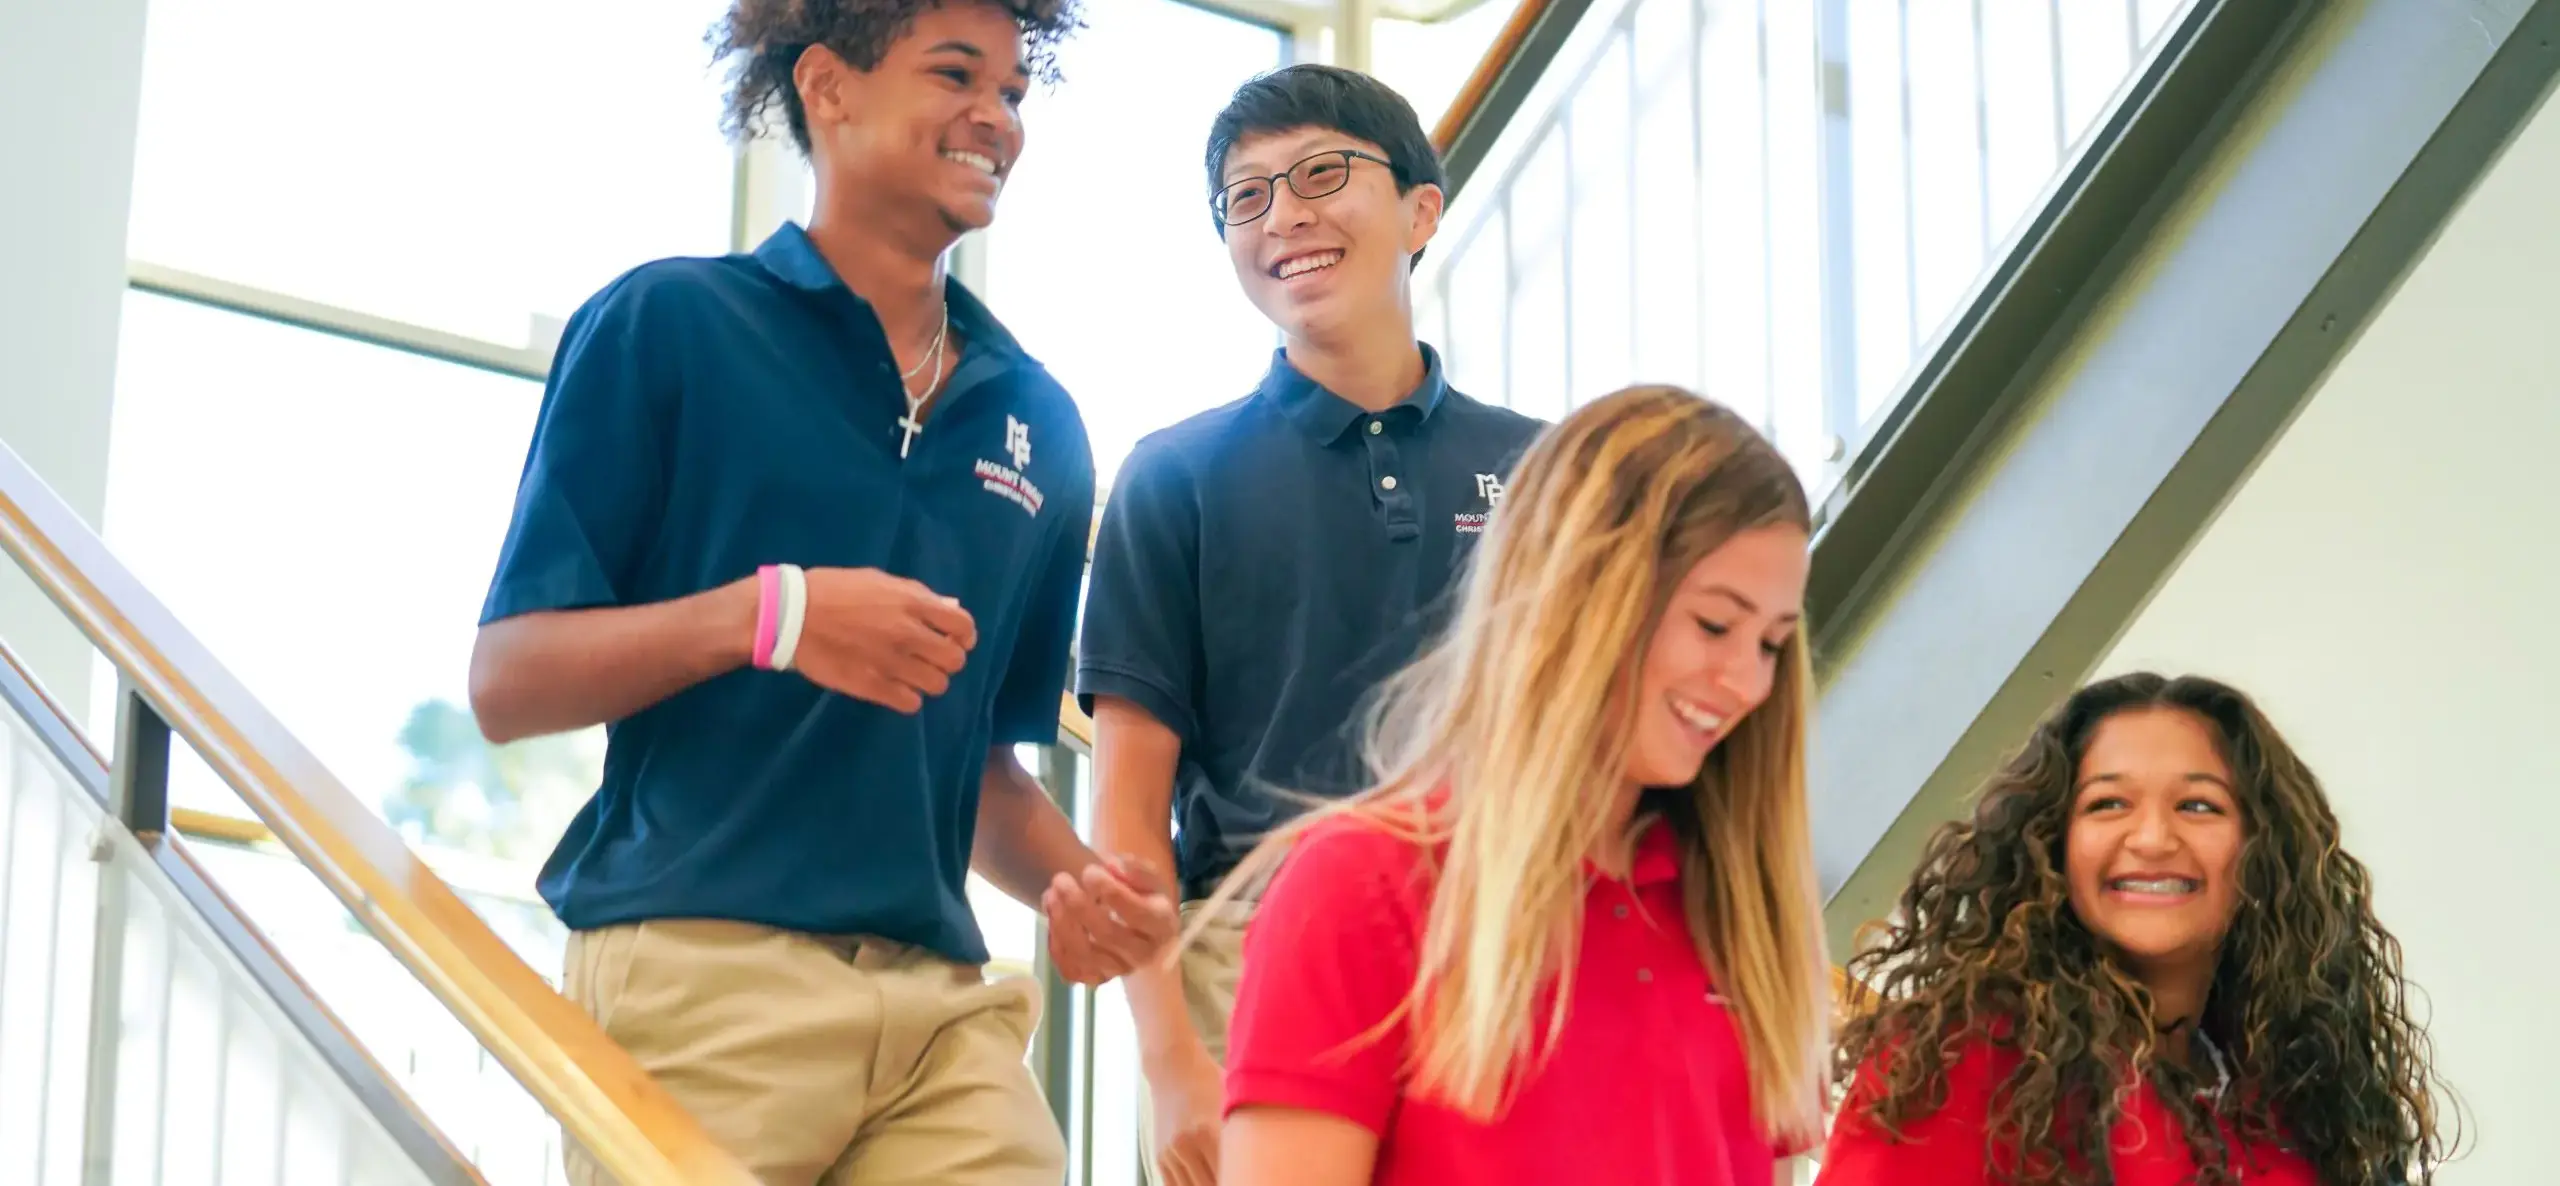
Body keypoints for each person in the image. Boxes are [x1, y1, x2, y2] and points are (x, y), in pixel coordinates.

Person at [465, 1, 1179, 1181]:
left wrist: (1088, 890)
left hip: (940, 1007)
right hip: (703, 973)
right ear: (827, 87)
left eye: (1012, 92)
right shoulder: (667, 325)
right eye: (956, 74)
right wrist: (776, 616)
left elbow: (984, 772)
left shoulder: (1042, 425)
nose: (995, 119)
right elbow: (509, 680)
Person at [1074, 63, 1546, 1186]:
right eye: (1246, 197)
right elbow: (1129, 818)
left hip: (1494, 960)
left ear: (1420, 208)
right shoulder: (1172, 476)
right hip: (1248, 963)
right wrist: (1169, 1061)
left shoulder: (1545, 472)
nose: (1283, 215)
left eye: (1322, 174)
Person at [1200, 385, 1834, 1186]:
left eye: (1773, 643)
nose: (1746, 681)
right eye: (1714, 624)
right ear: (1585, 594)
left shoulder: (1742, 916)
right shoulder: (1357, 889)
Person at [1818, 672, 2460, 1186]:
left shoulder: (2301, 1100)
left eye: (2198, 805)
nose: (2152, 839)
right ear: (2053, 843)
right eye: (2108, 804)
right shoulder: (1962, 1059)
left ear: (2262, 850)